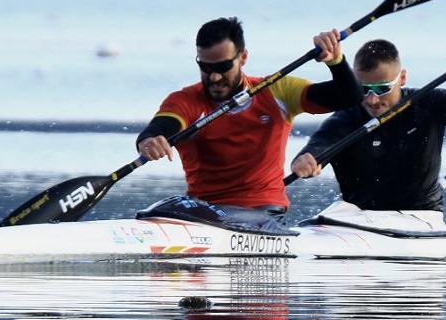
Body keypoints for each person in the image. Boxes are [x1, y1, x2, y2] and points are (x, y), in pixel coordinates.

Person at [135, 17, 359, 222]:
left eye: (223, 67)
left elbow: (350, 97)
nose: (214, 77)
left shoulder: (278, 91)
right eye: (205, 67)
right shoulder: (185, 100)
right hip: (204, 212)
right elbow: (161, 127)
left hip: (263, 212)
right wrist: (150, 141)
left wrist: (336, 62)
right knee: (160, 210)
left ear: (243, 58)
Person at [290, 39, 446, 211]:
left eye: (382, 88)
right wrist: (306, 160)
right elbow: (321, 144)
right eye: (364, 89)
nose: (372, 100)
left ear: (402, 78)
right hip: (357, 218)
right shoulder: (348, 116)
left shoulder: (430, 102)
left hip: (420, 216)